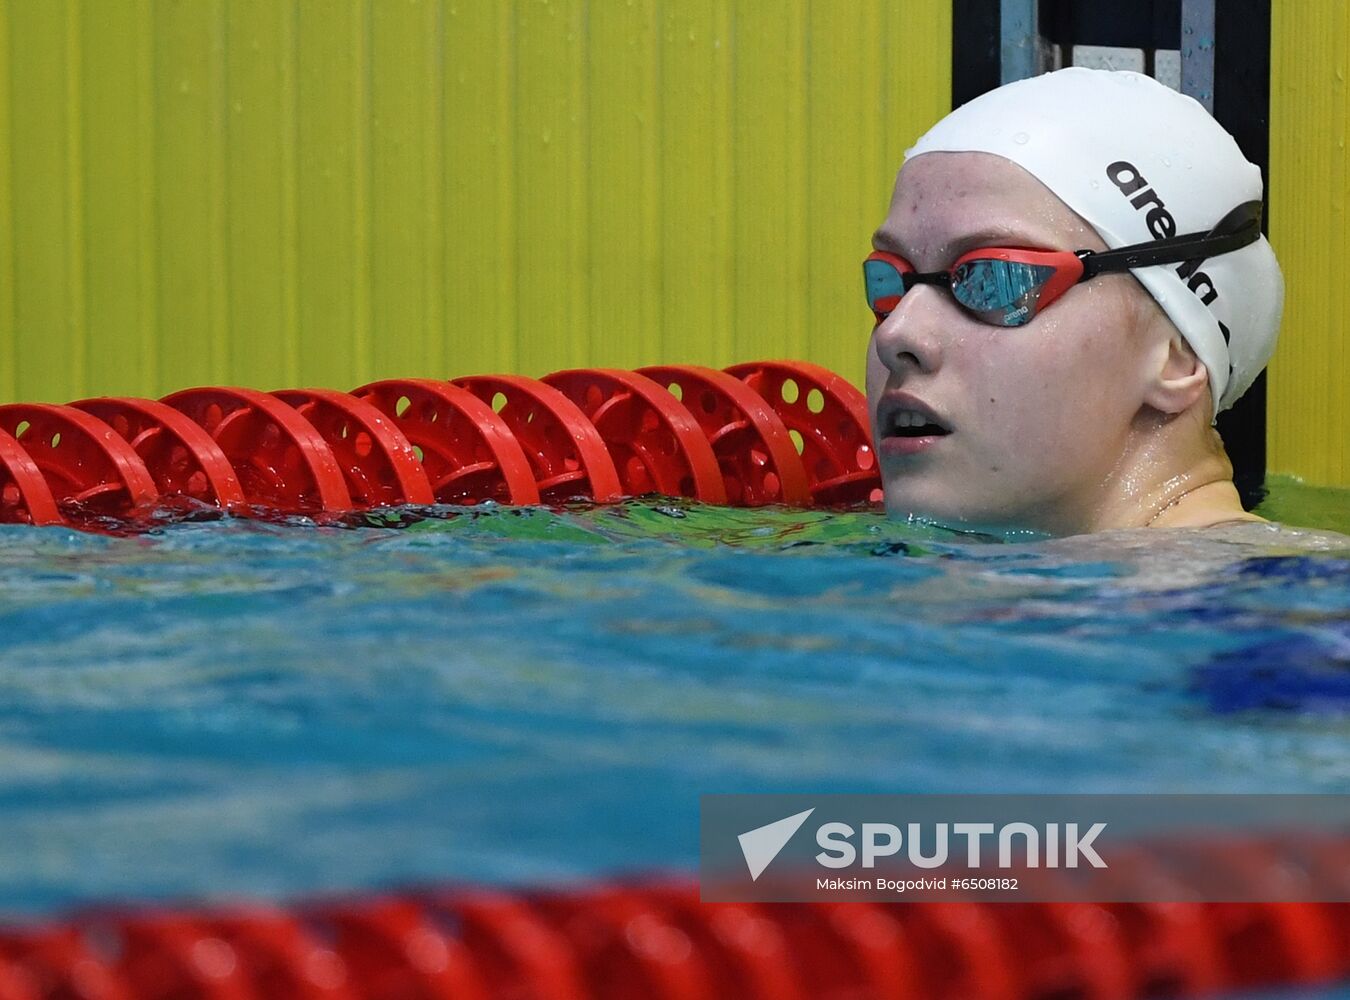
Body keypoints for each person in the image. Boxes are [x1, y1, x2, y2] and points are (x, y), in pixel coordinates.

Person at [865, 67, 1285, 538]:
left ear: (1176, 356)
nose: (895, 334)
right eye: (891, 281)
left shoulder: (1285, 600)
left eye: (995, 278)